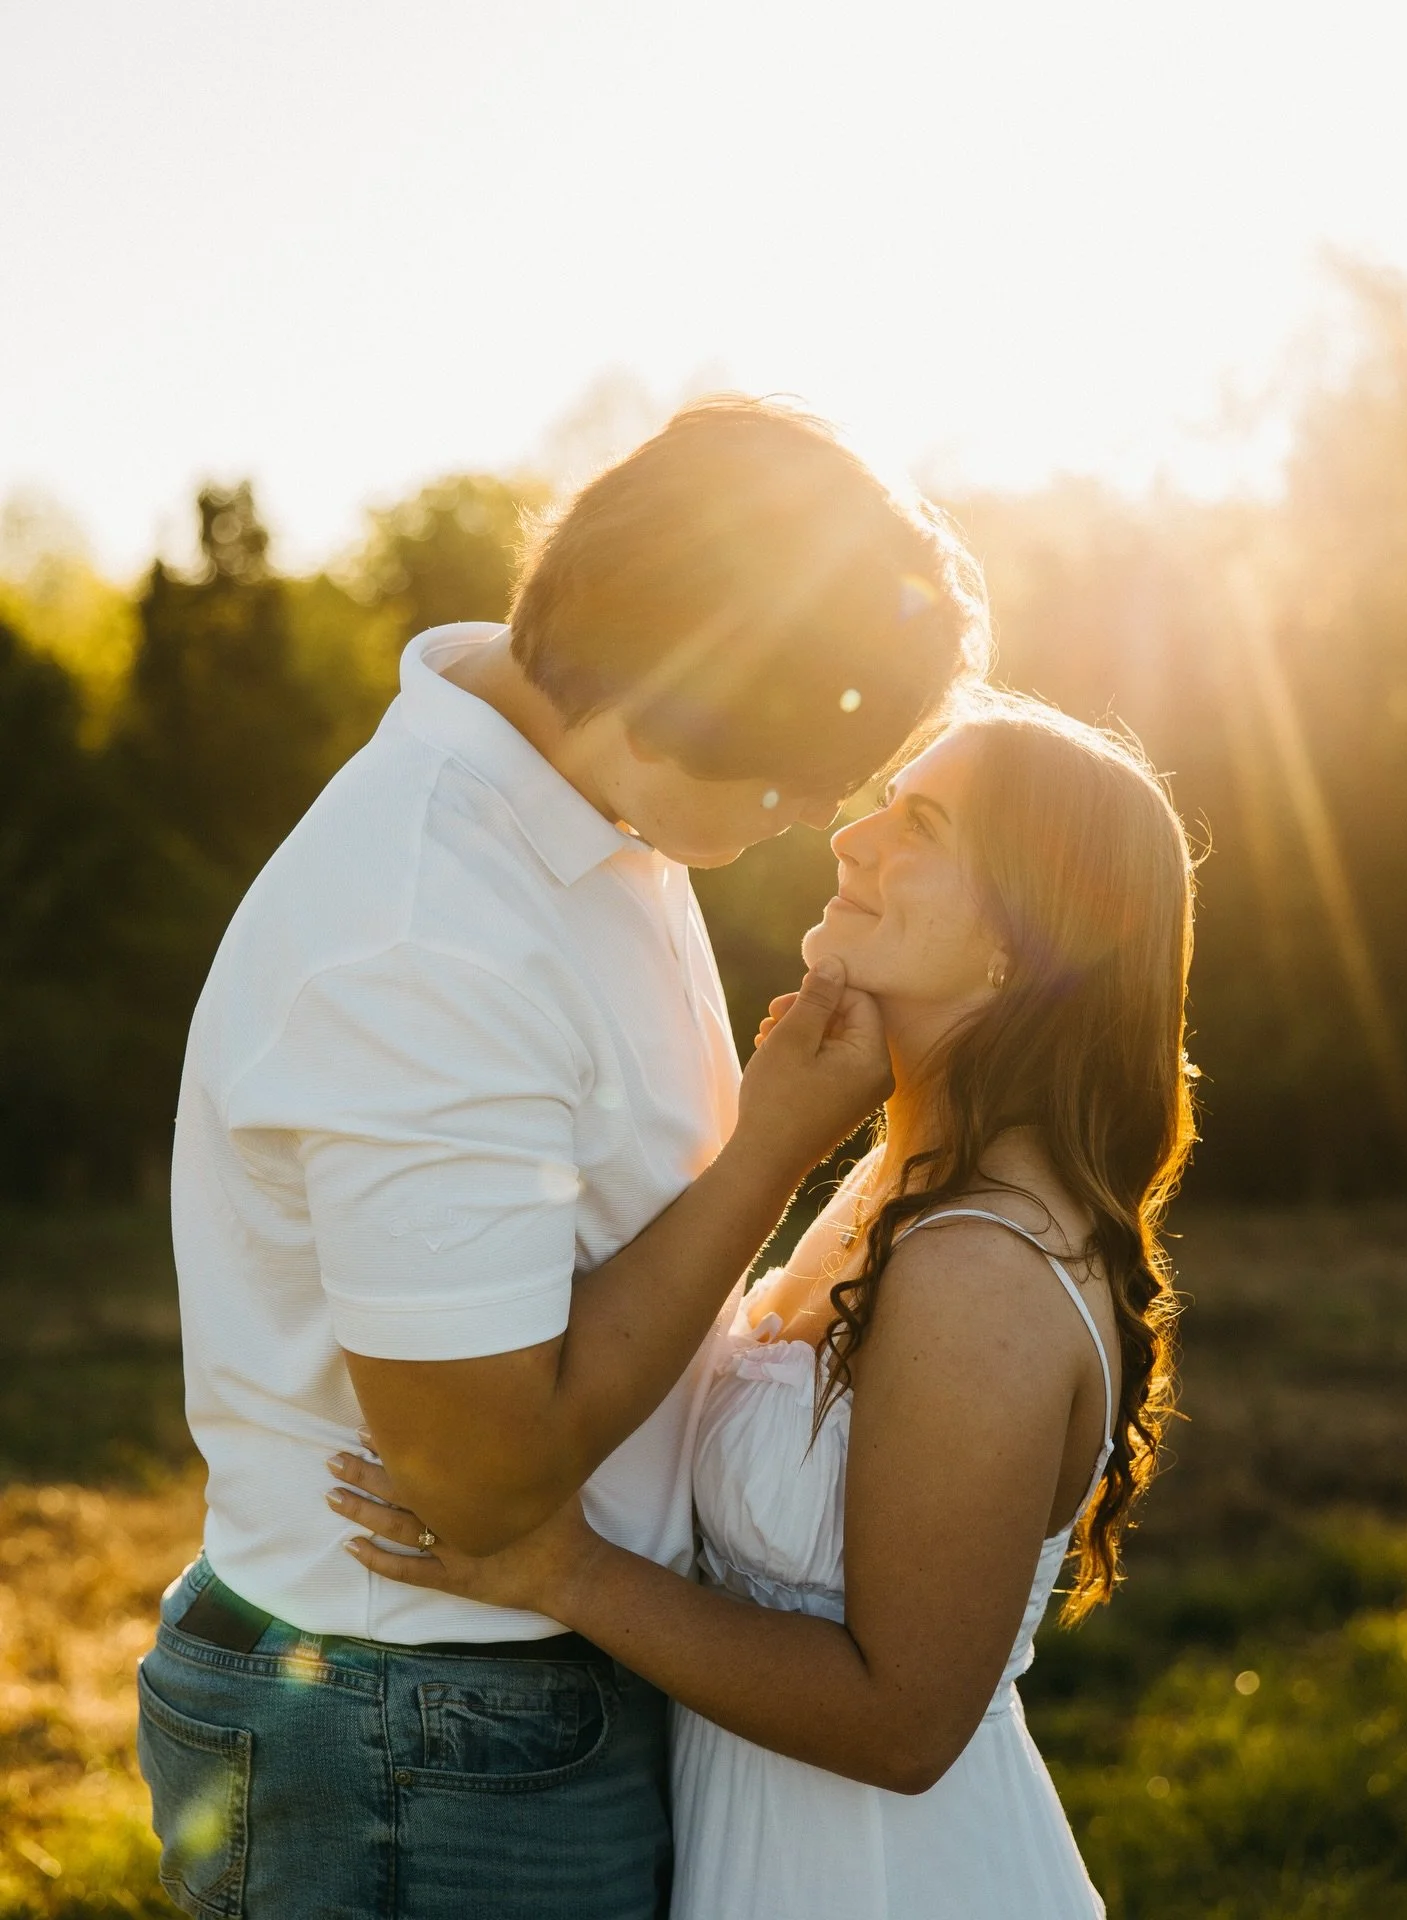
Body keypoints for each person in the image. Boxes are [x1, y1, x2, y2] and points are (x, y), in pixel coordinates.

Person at [136, 396, 986, 1920]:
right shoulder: (433, 932)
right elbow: (475, 1482)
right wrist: (774, 1147)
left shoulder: (596, 801)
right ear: (673, 690)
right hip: (417, 1742)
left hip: (493, 1709)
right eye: (791, 770)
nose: (808, 813)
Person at [326, 692, 1198, 1919]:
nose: (852, 836)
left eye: (922, 824)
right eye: (884, 802)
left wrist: (558, 1568)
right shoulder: (896, 1183)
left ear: (1024, 939)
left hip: (885, 1881)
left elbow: (904, 1724)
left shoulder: (980, 1269)